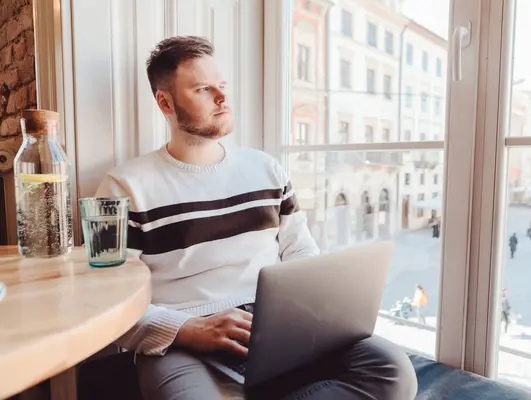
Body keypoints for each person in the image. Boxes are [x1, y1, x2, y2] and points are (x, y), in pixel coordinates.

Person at [95, 36, 417, 400]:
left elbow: (301, 254)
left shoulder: (267, 169)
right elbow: (108, 304)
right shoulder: (123, 187)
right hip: (182, 337)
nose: (222, 98)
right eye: (203, 89)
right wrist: (188, 329)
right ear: (165, 102)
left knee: (393, 371)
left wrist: (300, 315)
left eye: (223, 86)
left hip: (275, 324)